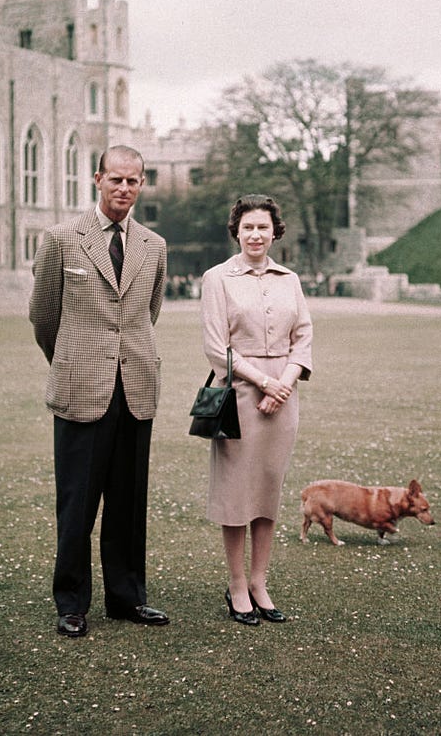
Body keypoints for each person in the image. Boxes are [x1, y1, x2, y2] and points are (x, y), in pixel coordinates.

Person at [29, 145, 169, 638]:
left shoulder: (154, 245)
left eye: (133, 181)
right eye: (116, 180)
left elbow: (148, 313)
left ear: (142, 183)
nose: (124, 189)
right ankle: (72, 601)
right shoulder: (62, 240)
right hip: (80, 388)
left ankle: (127, 598)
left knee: (129, 503)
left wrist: (123, 357)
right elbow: (44, 317)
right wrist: (74, 360)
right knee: (78, 503)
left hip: (135, 387)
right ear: (97, 179)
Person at [200, 194, 313, 625]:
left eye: (263, 227)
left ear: (274, 231)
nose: (255, 234)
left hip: (283, 399)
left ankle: (260, 581)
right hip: (237, 397)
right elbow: (216, 347)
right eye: (248, 227)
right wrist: (263, 382)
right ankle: (235, 584)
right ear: (237, 231)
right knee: (236, 495)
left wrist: (283, 383)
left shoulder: (290, 280)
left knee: (268, 491)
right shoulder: (217, 278)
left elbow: (303, 336)